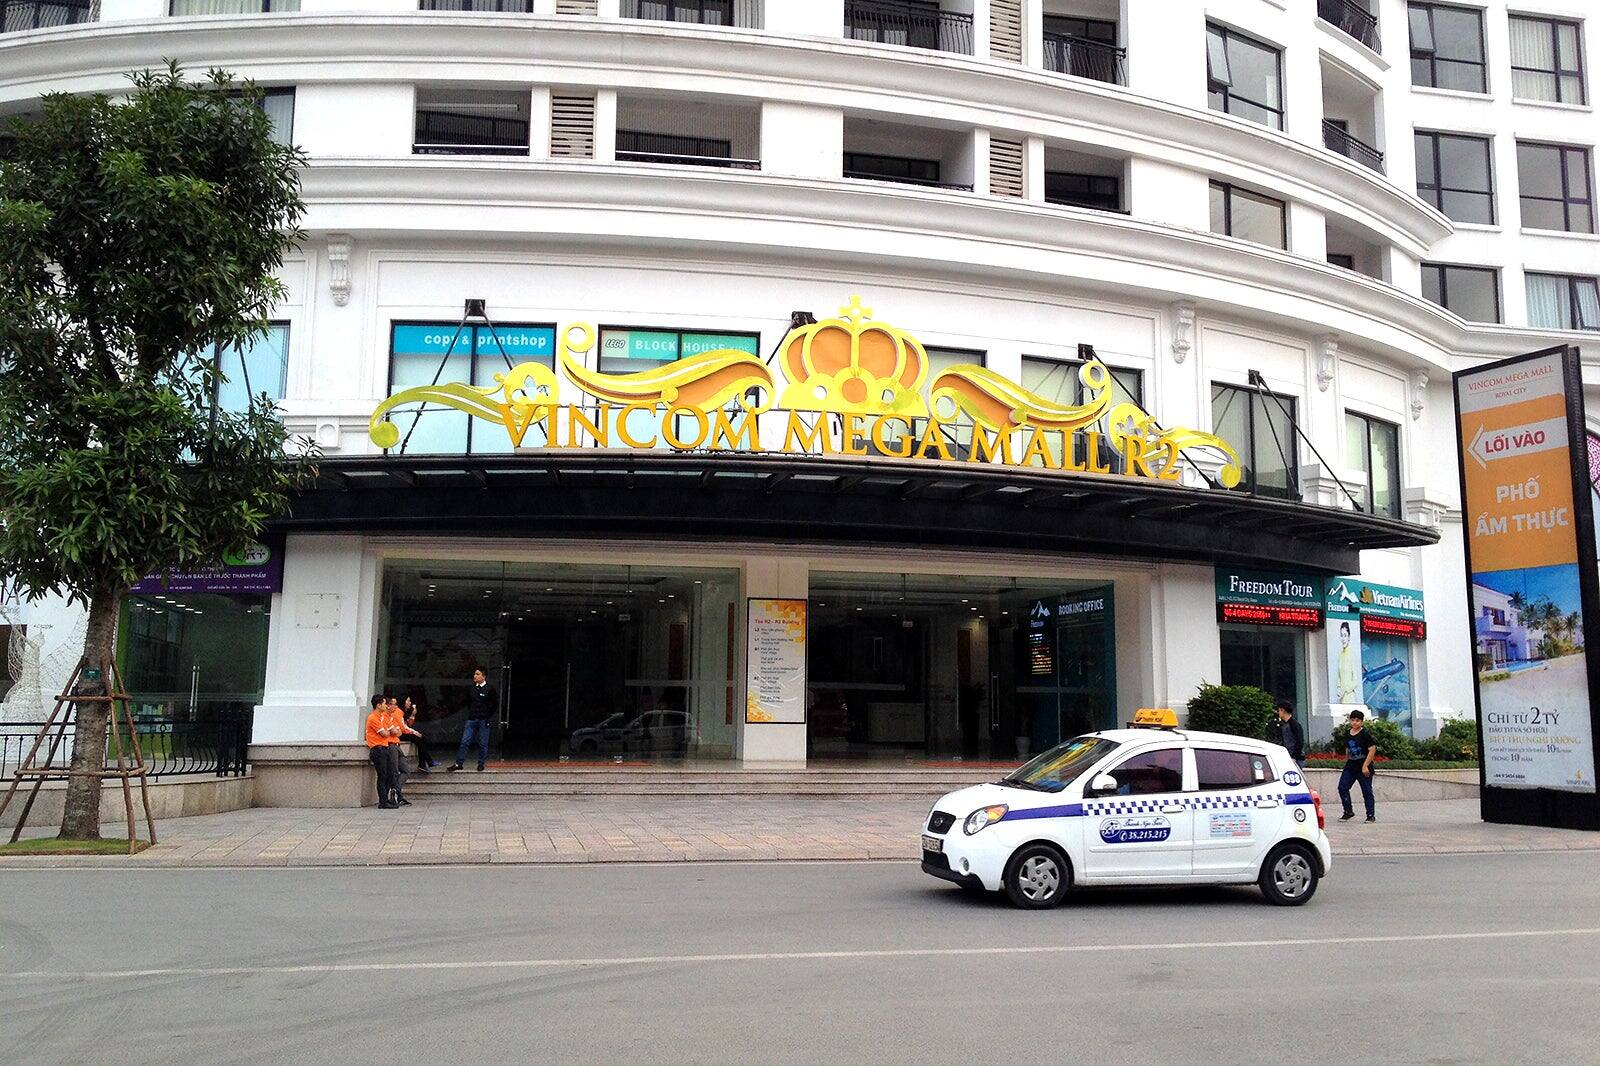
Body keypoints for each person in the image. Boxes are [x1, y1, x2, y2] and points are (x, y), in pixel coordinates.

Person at [448, 668, 496, 772]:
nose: (475, 676)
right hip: (472, 719)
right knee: (465, 741)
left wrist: (487, 715)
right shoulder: (471, 688)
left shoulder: (490, 689)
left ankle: (481, 764)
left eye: (477, 674)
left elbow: (494, 704)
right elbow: (468, 702)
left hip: (483, 720)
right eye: (475, 674)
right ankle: (459, 763)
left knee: (483, 743)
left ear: (483, 676)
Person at [1337, 709, 1378, 822]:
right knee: (1342, 787)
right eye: (1353, 720)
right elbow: (1347, 748)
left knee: (1366, 791)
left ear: (1361, 722)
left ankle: (1370, 815)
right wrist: (1347, 758)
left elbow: (1372, 749)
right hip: (1351, 766)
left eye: (1357, 720)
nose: (1355, 722)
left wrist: (1365, 766)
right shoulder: (1348, 734)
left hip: (1363, 767)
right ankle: (1348, 811)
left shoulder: (1365, 735)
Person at [365, 694, 400, 809]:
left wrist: (388, 731)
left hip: (385, 748)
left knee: (389, 775)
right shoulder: (373, 717)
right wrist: (388, 732)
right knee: (382, 775)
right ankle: (383, 802)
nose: (386, 706)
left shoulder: (382, 717)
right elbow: (385, 733)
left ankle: (385, 799)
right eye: (385, 703)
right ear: (378, 705)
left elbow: (395, 732)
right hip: (378, 749)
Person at [387, 697, 415, 807]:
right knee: (394, 771)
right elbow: (395, 732)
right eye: (393, 704)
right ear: (388, 705)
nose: (396, 706)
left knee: (406, 770)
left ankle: (395, 790)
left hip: (397, 744)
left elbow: (399, 732)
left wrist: (396, 731)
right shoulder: (384, 717)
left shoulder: (392, 716)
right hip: (390, 745)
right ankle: (395, 795)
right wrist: (396, 731)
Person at [402, 696, 436, 773]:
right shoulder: (399, 712)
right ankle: (428, 761)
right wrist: (414, 732)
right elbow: (403, 727)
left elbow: (409, 725)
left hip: (404, 731)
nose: (410, 703)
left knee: (422, 738)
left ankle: (423, 764)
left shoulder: (405, 711)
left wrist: (413, 714)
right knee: (418, 738)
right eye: (408, 701)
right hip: (400, 733)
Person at [1268, 699, 1305, 768]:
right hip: (1289, 756)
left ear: (1283, 710)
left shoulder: (1294, 725)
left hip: (1295, 759)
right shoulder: (1285, 724)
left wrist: (1294, 757)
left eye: (1279, 710)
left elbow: (1299, 741)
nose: (1278, 713)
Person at [1335, 621, 1361, 704]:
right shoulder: (1340, 655)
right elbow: (1339, 677)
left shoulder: (1352, 654)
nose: (1343, 639)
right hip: (1341, 698)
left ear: (1349, 637)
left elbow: (1356, 681)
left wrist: (1345, 689)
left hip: (1350, 697)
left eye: (1345, 635)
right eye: (1341, 635)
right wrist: (1339, 688)